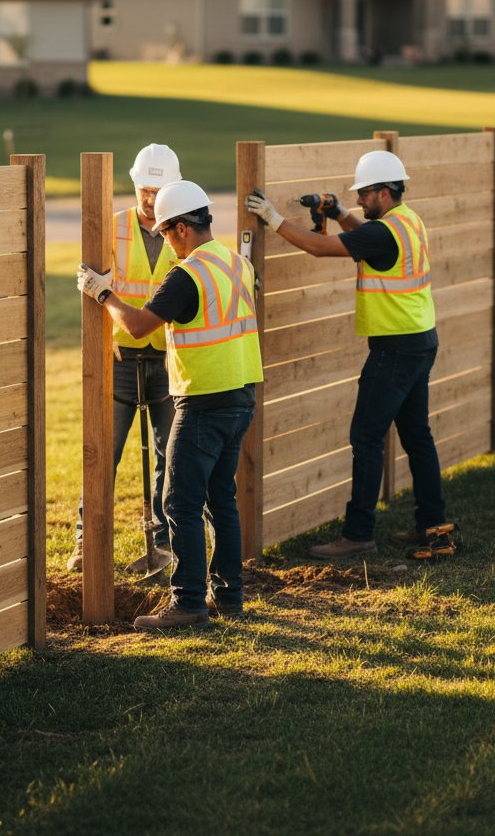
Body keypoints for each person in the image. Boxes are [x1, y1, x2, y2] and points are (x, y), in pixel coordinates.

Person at [78, 180, 263, 631]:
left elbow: (139, 326)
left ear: (181, 227)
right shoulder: (236, 263)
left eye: (164, 232)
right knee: (221, 498)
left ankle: (188, 602)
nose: (164, 242)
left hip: (203, 401)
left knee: (179, 501)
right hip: (240, 394)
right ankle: (230, 596)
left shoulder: (187, 275)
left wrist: (102, 294)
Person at [245, 149, 447, 559]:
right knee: (417, 436)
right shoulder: (406, 221)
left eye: (364, 194)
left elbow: (321, 248)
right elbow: (365, 238)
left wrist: (274, 219)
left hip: (395, 348)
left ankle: (358, 534)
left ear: (384, 192)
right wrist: (337, 213)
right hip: (419, 339)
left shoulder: (382, 232)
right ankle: (432, 523)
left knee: (366, 436)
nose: (359, 200)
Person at [67, 143, 182, 574]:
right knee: (102, 452)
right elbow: (91, 284)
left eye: (158, 190)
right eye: (145, 189)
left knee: (170, 457)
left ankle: (165, 543)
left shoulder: (183, 230)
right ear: (134, 185)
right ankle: (87, 543)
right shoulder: (112, 228)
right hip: (118, 358)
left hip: (168, 361)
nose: (150, 199)